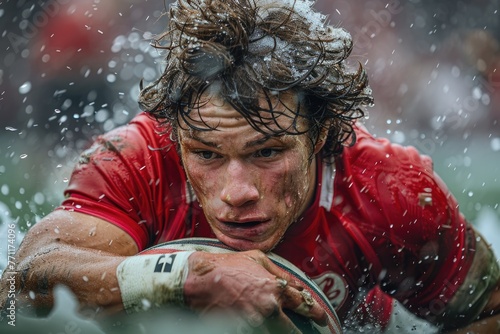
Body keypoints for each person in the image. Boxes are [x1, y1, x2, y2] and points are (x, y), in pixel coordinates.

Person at [1, 0, 499, 332]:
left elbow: (489, 313)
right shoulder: (136, 159)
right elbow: (21, 282)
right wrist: (191, 274)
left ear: (321, 135)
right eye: (208, 155)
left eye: (267, 153)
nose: (237, 192)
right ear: (176, 138)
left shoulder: (392, 190)